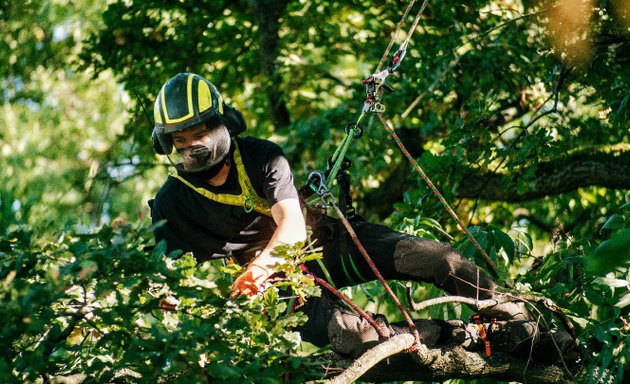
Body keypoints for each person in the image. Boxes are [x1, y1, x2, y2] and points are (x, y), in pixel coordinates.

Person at [149, 72, 573, 362]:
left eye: (199, 133)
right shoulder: (171, 203)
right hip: (278, 294)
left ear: (222, 125)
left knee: (435, 258)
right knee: (354, 336)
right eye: (179, 140)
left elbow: (293, 228)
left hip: (322, 245)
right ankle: (457, 337)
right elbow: (169, 286)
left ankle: (517, 321)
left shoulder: (261, 156)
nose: (191, 147)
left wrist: (258, 267)